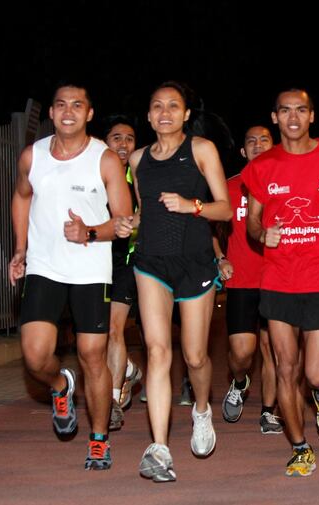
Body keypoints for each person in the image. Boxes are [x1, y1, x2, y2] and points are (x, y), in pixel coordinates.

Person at [8, 82, 132, 470]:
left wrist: (90, 232)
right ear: (51, 112)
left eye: (77, 105)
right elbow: (23, 197)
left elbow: (126, 224)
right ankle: (61, 386)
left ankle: (98, 441)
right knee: (34, 356)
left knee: (92, 355)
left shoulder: (105, 159)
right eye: (61, 105)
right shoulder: (34, 156)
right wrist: (20, 249)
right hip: (45, 266)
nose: (68, 111)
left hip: (91, 269)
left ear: (89, 114)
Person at [242, 88, 319, 477]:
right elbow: (253, 221)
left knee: (314, 373)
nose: (293, 117)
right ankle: (299, 447)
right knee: (285, 368)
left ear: (311, 116)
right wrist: (263, 235)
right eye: (285, 111)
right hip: (278, 276)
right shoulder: (263, 165)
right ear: (275, 117)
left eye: (300, 110)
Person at [116, 81, 232, 482]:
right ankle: (160, 448)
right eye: (156, 106)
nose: (164, 112)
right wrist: (131, 224)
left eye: (173, 106)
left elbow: (226, 209)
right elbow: (144, 212)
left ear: (185, 114)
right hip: (150, 264)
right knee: (158, 350)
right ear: (148, 116)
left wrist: (191, 206)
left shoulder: (201, 150)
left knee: (195, 356)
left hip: (196, 263)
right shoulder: (136, 159)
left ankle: (201, 408)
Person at [215, 125, 283, 435]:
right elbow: (208, 229)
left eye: (264, 140)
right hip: (241, 279)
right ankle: (240, 383)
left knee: (274, 350)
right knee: (242, 353)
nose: (257, 145)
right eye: (251, 141)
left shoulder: (285, 187)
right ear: (243, 151)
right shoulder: (229, 187)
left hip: (277, 280)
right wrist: (220, 257)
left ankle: (269, 411)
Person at [103, 116, 144, 432]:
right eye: (116, 137)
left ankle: (113, 401)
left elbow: (147, 211)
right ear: (105, 142)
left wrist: (138, 222)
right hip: (92, 260)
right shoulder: (94, 173)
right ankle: (128, 369)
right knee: (95, 334)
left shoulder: (140, 174)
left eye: (129, 138)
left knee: (115, 329)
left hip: (125, 260)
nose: (123, 144)